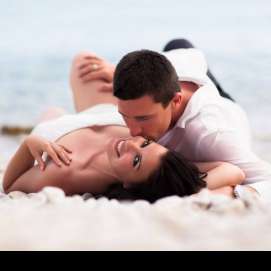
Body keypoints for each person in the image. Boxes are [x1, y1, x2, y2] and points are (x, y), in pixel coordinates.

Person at [72, 38, 271, 201]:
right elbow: (193, 57)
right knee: (177, 44)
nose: (133, 132)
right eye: (125, 116)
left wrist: (232, 193)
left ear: (176, 101)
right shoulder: (173, 64)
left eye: (143, 118)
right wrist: (116, 72)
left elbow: (266, 180)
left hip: (227, 109)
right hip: (187, 68)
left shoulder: (211, 135)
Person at [2, 70, 245, 202]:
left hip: (58, 130)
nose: (132, 143)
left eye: (136, 160)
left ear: (130, 185)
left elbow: (9, 185)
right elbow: (231, 170)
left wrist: (28, 145)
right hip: (100, 114)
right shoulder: (160, 163)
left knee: (50, 114)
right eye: (146, 143)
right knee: (84, 62)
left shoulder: (68, 173)